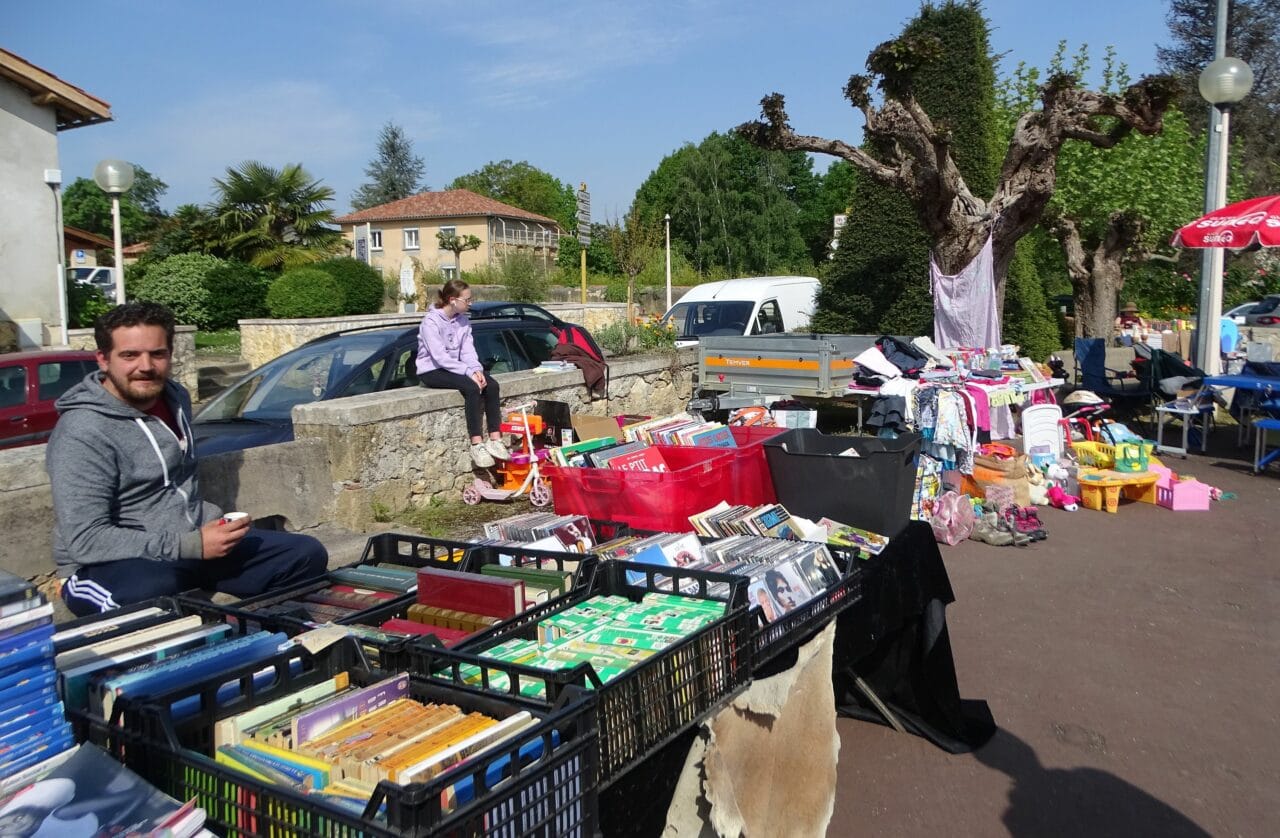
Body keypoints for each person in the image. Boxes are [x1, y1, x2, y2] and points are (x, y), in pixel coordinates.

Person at [47, 302, 328, 617]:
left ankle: (272, 645)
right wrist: (189, 545)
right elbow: (86, 540)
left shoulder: (175, 397)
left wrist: (200, 538)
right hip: (108, 564)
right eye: (129, 355)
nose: (146, 366)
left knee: (304, 554)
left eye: (157, 354)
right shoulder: (82, 431)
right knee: (154, 592)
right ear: (103, 359)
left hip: (192, 546)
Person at [416, 279, 512, 468]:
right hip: (432, 369)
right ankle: (476, 443)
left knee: (491, 385)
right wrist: (468, 373)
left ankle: (495, 438)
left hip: (457, 367)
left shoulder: (463, 321)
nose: (470, 303)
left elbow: (468, 351)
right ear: (452, 300)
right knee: (471, 387)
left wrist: (476, 369)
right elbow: (440, 357)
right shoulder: (431, 323)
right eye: (467, 300)